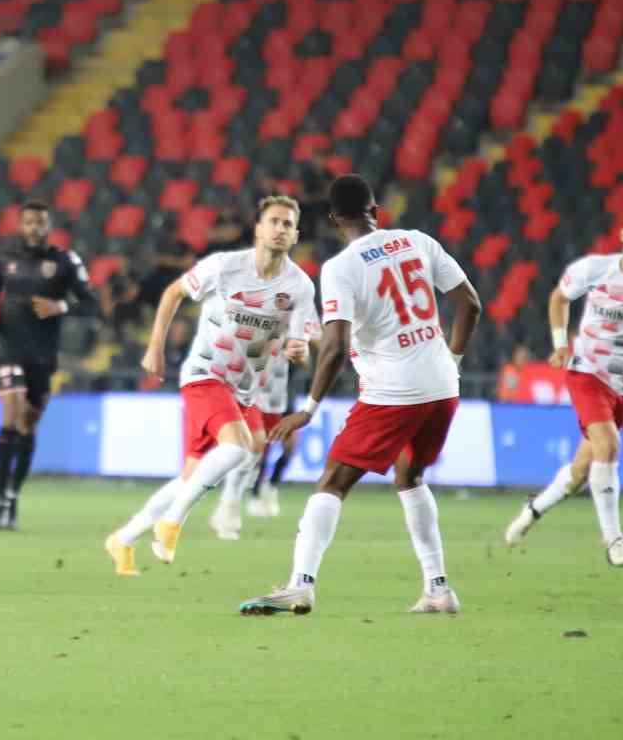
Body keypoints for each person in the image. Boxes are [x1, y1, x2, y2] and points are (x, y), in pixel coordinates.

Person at [237, 174, 481, 616]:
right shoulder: (417, 241)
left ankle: (300, 584)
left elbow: (333, 345)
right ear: (377, 212)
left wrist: (308, 408)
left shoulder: (340, 268)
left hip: (394, 390)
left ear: (333, 220)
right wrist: (454, 361)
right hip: (443, 385)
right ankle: (438, 588)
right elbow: (470, 304)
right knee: (410, 477)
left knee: (332, 481)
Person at [104, 196, 316, 575]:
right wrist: (155, 347)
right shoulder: (225, 267)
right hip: (205, 374)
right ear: (258, 228)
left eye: (288, 224)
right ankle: (171, 523)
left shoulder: (299, 286)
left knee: (194, 474)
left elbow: (300, 345)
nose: (280, 229)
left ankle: (123, 539)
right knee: (239, 449)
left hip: (244, 389)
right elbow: (173, 293)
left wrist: (299, 351)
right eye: (274, 221)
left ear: (296, 234)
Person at [502, 206, 623, 566]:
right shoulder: (593, 268)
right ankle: (614, 542)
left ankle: (534, 508)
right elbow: (559, 298)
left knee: (581, 471)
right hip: (588, 371)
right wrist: (560, 342)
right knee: (609, 444)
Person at [0, 200, 99, 531]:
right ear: (20, 225)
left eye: (40, 223)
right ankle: (0, 500)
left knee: (28, 426)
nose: (34, 228)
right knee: (11, 416)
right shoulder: (3, 260)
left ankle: (12, 498)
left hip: (42, 356)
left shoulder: (64, 262)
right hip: (9, 348)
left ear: (49, 226)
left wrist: (59, 305)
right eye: (29, 222)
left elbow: (91, 303)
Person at [243, 330, 319, 521]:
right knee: (262, 451)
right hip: (262, 400)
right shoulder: (262, 330)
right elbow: (249, 356)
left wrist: (297, 355)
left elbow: (306, 366)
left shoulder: (295, 334)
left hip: (287, 399)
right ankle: (255, 493)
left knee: (289, 449)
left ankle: (272, 486)